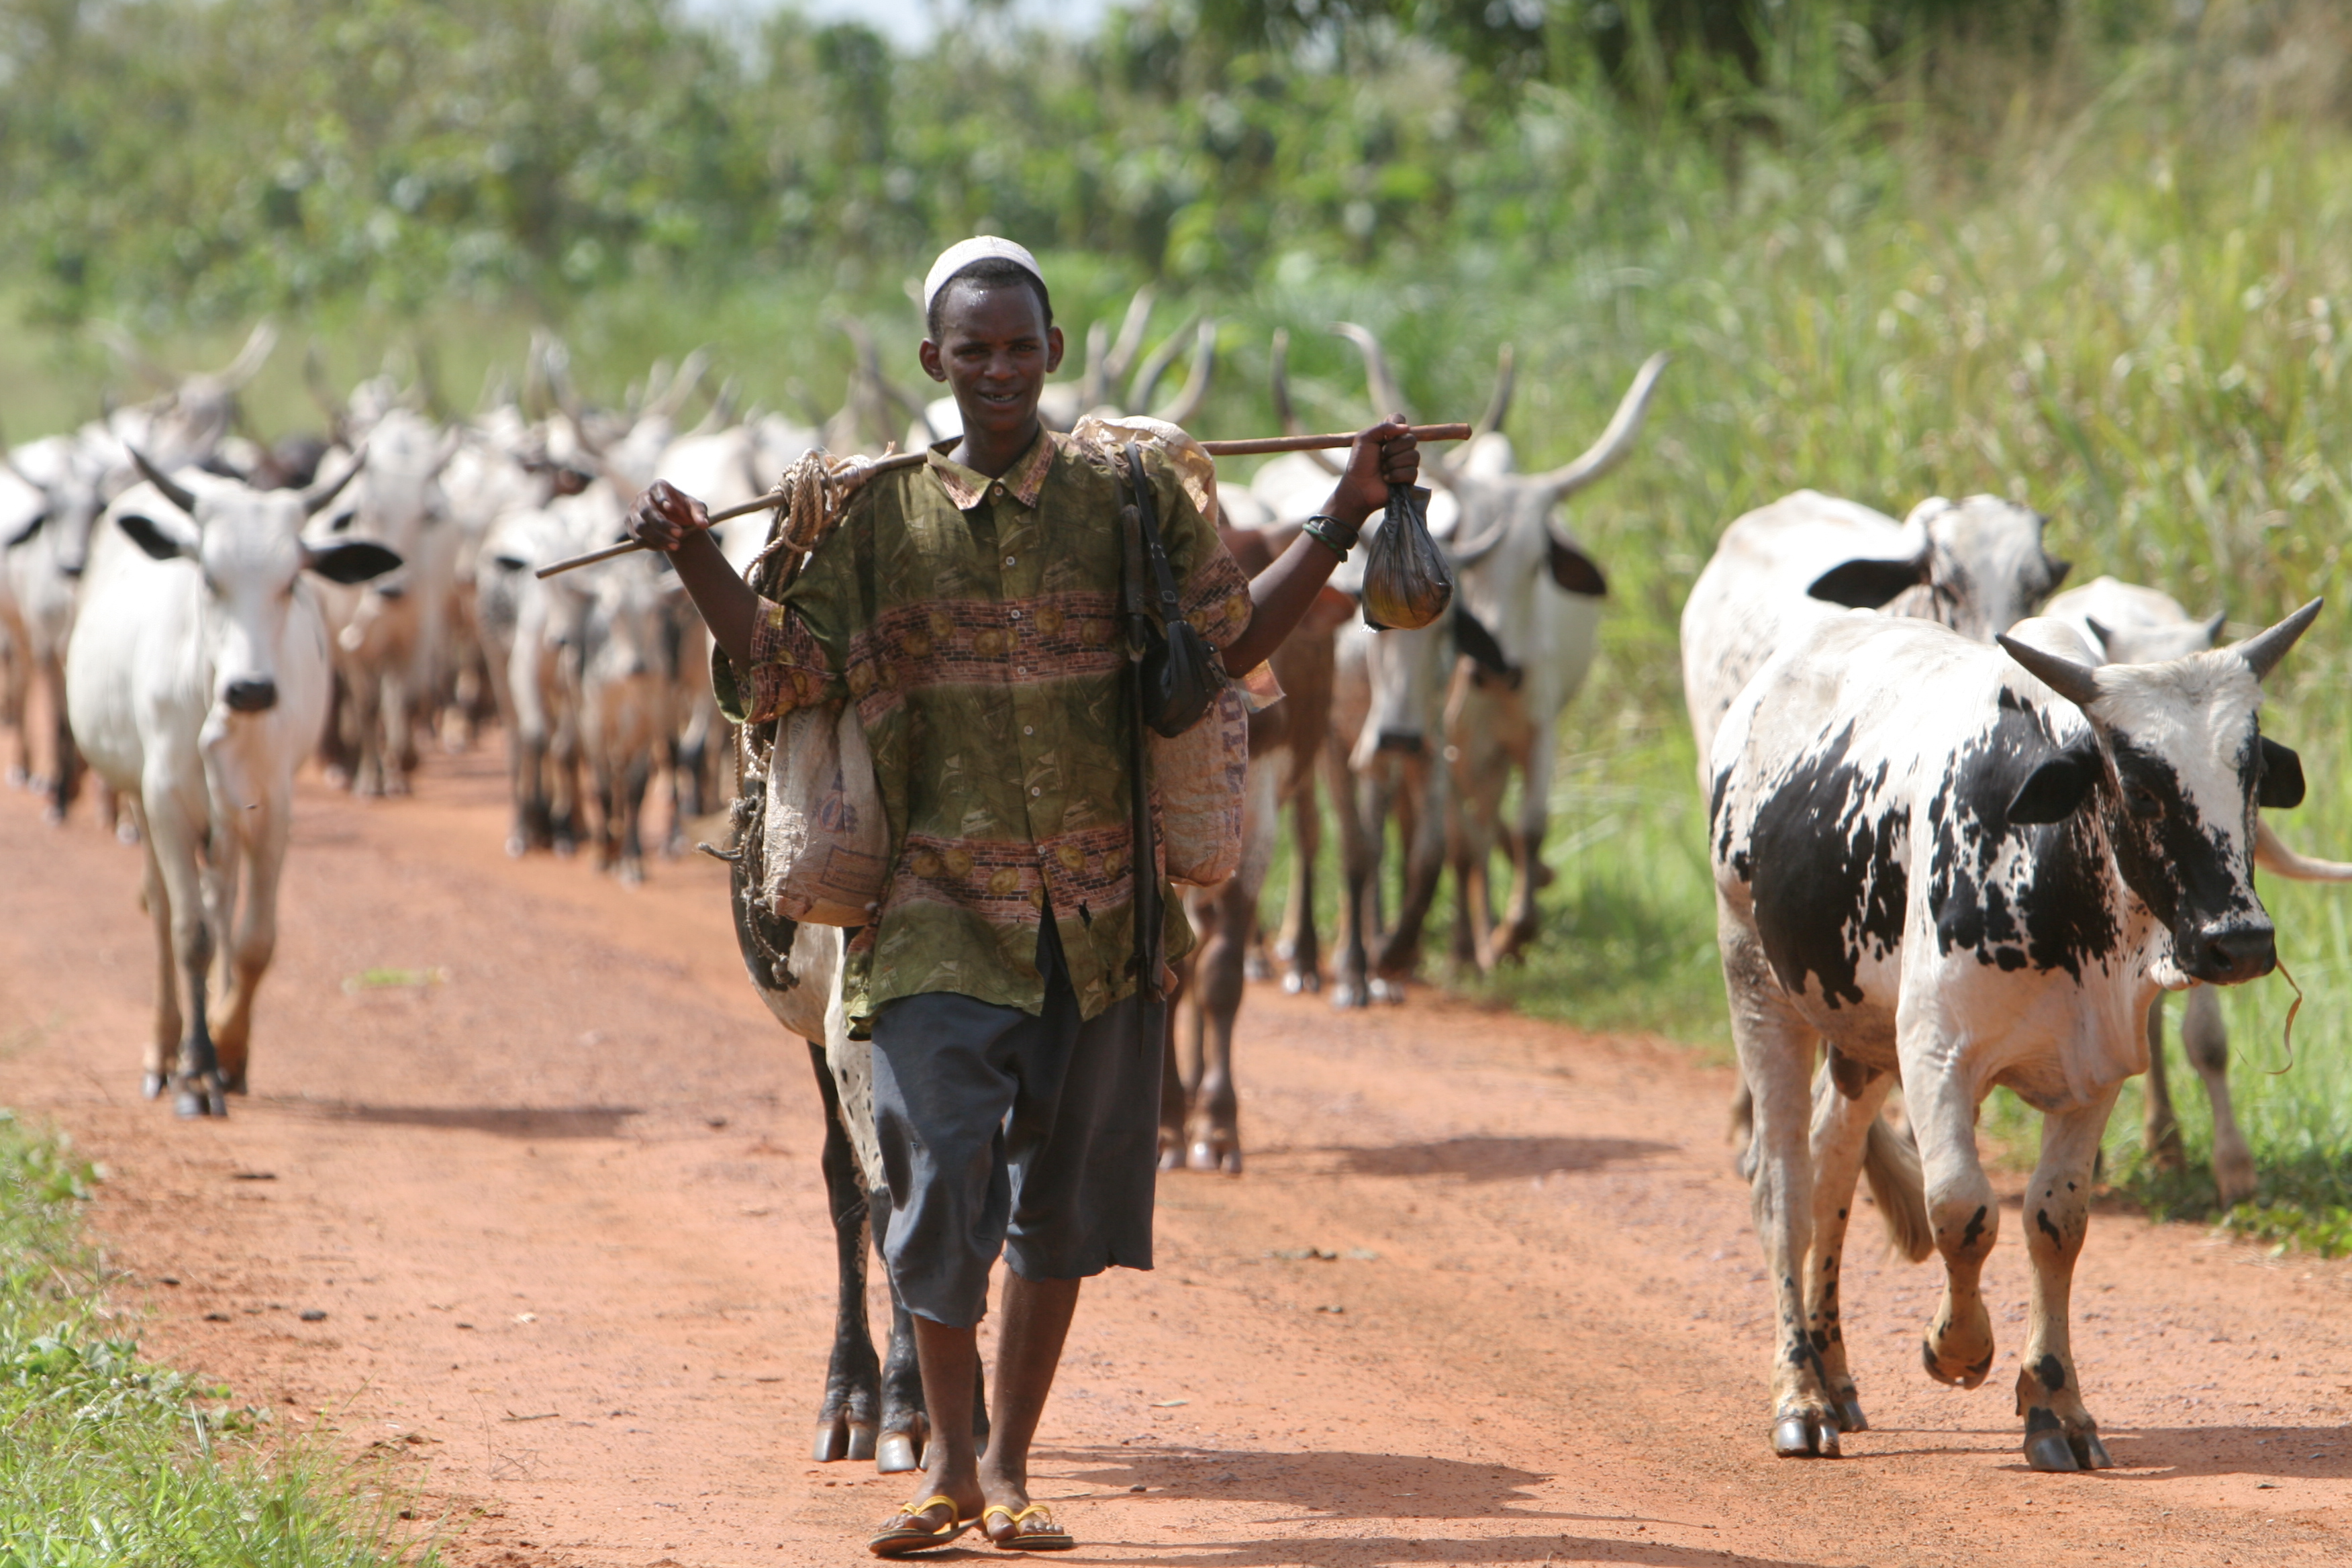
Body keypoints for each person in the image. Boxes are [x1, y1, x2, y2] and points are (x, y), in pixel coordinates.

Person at [627, 236, 1417, 1555]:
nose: (997, 370)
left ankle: (1006, 1464)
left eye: (1017, 347)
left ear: (1053, 353)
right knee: (937, 1188)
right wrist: (697, 559)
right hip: (930, 922)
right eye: (971, 350)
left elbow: (1221, 644)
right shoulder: (875, 519)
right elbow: (778, 673)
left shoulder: (1127, 497)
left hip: (1103, 925)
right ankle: (947, 1464)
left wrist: (1344, 510)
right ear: (932, 362)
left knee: (1059, 1210)